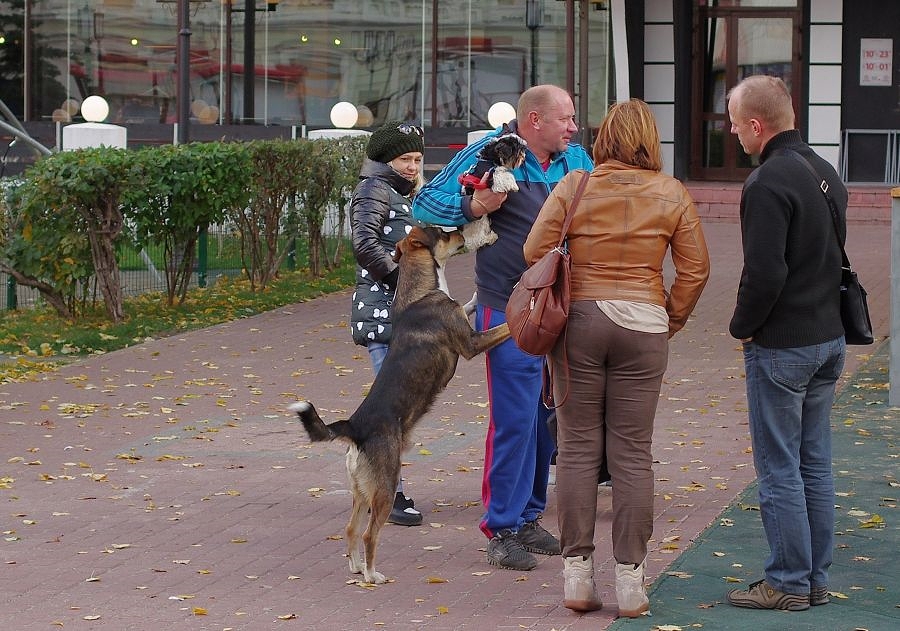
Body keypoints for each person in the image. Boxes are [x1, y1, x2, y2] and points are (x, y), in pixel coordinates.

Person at [523, 98, 709, 617]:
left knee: (579, 450)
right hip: (645, 321)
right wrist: (668, 319)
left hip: (579, 322)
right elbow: (695, 271)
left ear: (605, 139)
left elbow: (534, 251)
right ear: (652, 140)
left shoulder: (575, 185)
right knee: (632, 453)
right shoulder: (671, 193)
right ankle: (631, 583)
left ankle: (577, 578)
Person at [413, 85, 593, 571]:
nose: (574, 127)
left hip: (560, 305)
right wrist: (475, 207)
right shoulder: (487, 153)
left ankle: (530, 515)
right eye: (566, 118)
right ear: (534, 121)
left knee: (544, 416)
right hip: (508, 308)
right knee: (514, 419)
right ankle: (502, 527)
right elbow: (426, 203)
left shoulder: (575, 159)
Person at [724, 75, 847, 611]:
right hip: (828, 335)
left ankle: (788, 581)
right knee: (813, 464)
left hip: (783, 344)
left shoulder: (767, 182)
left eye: (733, 123)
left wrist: (741, 326)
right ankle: (813, 577)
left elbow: (765, 272)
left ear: (757, 125)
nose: (730, 133)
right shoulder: (824, 171)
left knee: (778, 468)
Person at [349, 120, 427, 527]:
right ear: (385, 159)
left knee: (394, 407)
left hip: (396, 313)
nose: (413, 166)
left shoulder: (397, 191)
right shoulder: (372, 190)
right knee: (389, 410)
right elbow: (364, 244)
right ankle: (388, 491)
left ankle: (380, 483)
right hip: (382, 312)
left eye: (416, 158)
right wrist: (403, 281)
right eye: (405, 159)